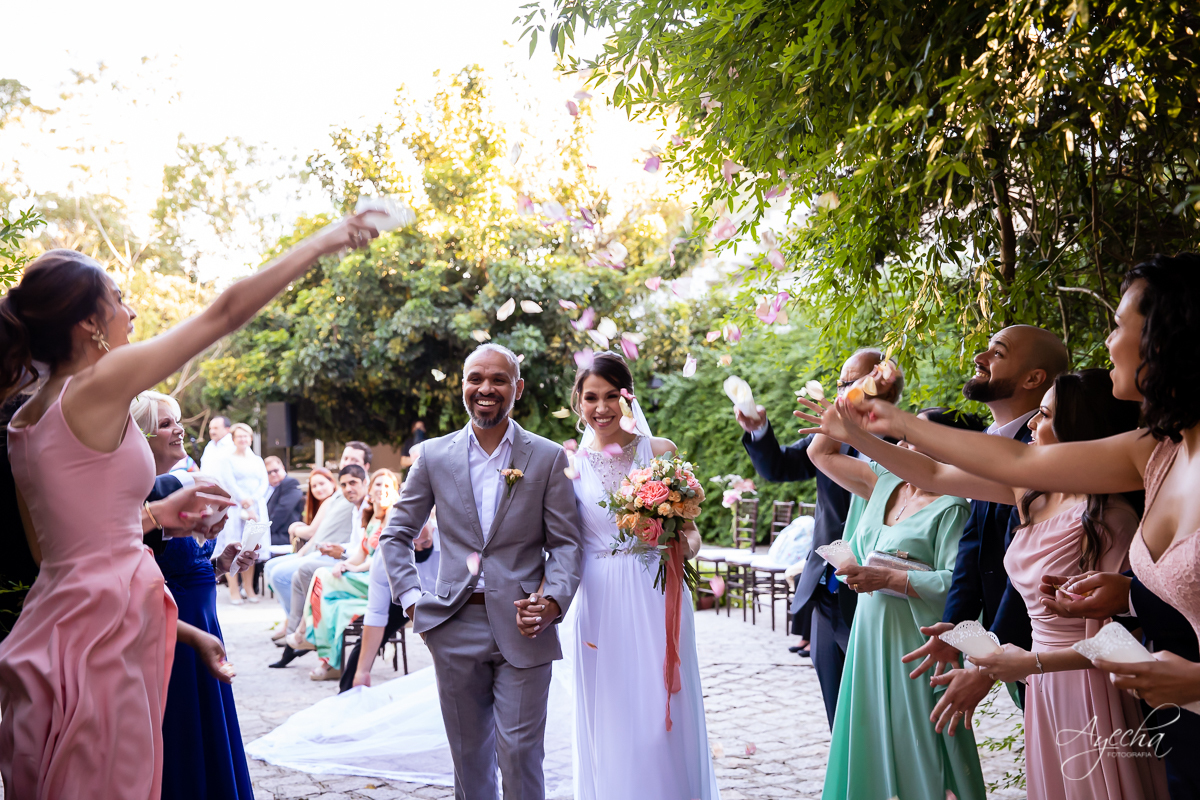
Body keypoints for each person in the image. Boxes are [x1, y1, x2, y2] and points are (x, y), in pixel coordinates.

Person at [0, 213, 378, 798]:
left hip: (52, 637)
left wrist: (162, 533)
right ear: (88, 325)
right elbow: (223, 313)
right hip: (106, 639)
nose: (129, 314)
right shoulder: (101, 383)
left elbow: (60, 557)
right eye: (118, 300)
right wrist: (326, 240)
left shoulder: (24, 421)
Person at [845, 253, 1200, 795]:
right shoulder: (1154, 451)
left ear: (1166, 338)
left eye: (1118, 325)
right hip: (1179, 733)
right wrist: (1129, 592)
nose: (1107, 343)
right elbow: (1009, 464)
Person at [802, 371, 1168, 799]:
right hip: (1040, 685)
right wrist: (858, 435)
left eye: (1044, 414)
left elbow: (1127, 636)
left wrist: (1031, 663)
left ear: (1080, 427)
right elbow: (935, 473)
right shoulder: (1032, 494)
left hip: (1088, 686)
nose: (1031, 424)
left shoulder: (1110, 518)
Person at [378, 343, 583, 800]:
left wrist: (552, 603)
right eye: (475, 378)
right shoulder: (432, 456)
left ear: (518, 388)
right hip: (453, 623)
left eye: (498, 380)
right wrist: (412, 602)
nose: (485, 389)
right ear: (463, 385)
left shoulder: (547, 458)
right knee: (469, 759)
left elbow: (567, 544)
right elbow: (396, 535)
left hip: (525, 623)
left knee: (521, 753)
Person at [802, 395, 988, 800]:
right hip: (869, 635)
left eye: (910, 437)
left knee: (919, 739)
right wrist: (852, 408)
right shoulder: (883, 481)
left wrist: (893, 577)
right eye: (901, 437)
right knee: (865, 731)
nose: (900, 445)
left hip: (916, 640)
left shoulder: (951, 507)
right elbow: (821, 452)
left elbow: (959, 582)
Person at [564, 351, 719, 799]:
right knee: (610, 705)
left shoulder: (659, 453)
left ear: (626, 397)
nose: (602, 407)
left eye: (612, 395)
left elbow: (690, 532)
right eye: (591, 397)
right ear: (578, 403)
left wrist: (682, 547)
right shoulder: (568, 465)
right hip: (599, 595)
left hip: (656, 589)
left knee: (660, 706)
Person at [901, 325, 1068, 725]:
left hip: (1044, 649)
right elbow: (973, 548)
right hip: (1012, 647)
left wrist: (989, 656)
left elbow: (1030, 567)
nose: (980, 358)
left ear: (1033, 378)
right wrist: (957, 627)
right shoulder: (991, 441)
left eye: (998, 352)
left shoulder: (1047, 449)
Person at [737, 347, 901, 728]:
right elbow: (778, 467)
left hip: (876, 590)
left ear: (884, 387)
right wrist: (758, 431)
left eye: (852, 383)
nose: (841, 391)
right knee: (837, 713)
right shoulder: (828, 438)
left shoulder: (905, 443)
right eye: (840, 382)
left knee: (879, 711)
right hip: (826, 592)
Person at [131, 390, 258, 800]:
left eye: (178, 419)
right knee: (183, 734)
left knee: (208, 732)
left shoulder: (177, 487)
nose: (178, 428)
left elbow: (189, 566)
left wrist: (222, 564)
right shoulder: (143, 496)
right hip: (176, 636)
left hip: (205, 626)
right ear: (139, 436)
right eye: (165, 423)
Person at [290, 469, 401, 681]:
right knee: (330, 603)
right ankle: (328, 660)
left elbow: (382, 558)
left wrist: (353, 569)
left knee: (321, 574)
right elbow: (361, 553)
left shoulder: (392, 515)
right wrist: (346, 565)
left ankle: (303, 632)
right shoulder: (372, 517)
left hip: (379, 583)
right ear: (370, 489)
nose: (382, 491)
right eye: (378, 485)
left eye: (388, 486)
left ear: (395, 492)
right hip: (363, 576)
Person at [267, 464, 366, 667]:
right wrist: (337, 549)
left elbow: (367, 550)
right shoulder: (351, 506)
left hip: (361, 571)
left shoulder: (367, 507)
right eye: (344, 484)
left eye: (353, 483)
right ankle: (295, 640)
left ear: (365, 482)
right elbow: (346, 543)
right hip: (346, 560)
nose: (348, 488)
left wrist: (342, 553)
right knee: (294, 576)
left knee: (305, 571)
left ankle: (307, 633)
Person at [209, 422, 269, 605]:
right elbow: (229, 482)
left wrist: (253, 500)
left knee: (251, 547)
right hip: (235, 508)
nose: (243, 439)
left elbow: (264, 483)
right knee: (234, 547)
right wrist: (244, 500)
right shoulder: (226, 460)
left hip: (256, 507)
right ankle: (234, 589)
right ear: (233, 439)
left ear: (250, 439)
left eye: (246, 436)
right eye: (239, 436)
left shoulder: (257, 460)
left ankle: (249, 588)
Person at [264, 455, 304, 548]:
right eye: (269, 472)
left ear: (283, 468)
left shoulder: (290, 483)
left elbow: (283, 510)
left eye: (276, 470)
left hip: (285, 534)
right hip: (272, 533)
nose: (273, 474)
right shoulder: (265, 488)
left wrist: (265, 531)